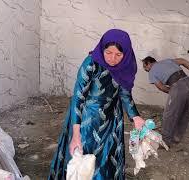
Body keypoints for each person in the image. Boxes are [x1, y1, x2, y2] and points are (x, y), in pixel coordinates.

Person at [48, 29, 146, 180]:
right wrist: (76, 135)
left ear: (125, 54)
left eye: (119, 55)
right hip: (87, 118)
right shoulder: (91, 63)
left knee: (108, 157)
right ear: (102, 48)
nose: (112, 59)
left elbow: (125, 94)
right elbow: (78, 98)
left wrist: (136, 117)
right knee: (84, 158)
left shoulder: (126, 67)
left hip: (112, 119)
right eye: (108, 52)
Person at [141, 56, 189, 147]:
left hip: (178, 86)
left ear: (148, 63)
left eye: (145, 67)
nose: (145, 69)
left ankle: (165, 142)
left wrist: (173, 92)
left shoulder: (151, 71)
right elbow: (183, 61)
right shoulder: (167, 60)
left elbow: (161, 87)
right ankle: (177, 138)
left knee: (169, 115)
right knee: (184, 112)